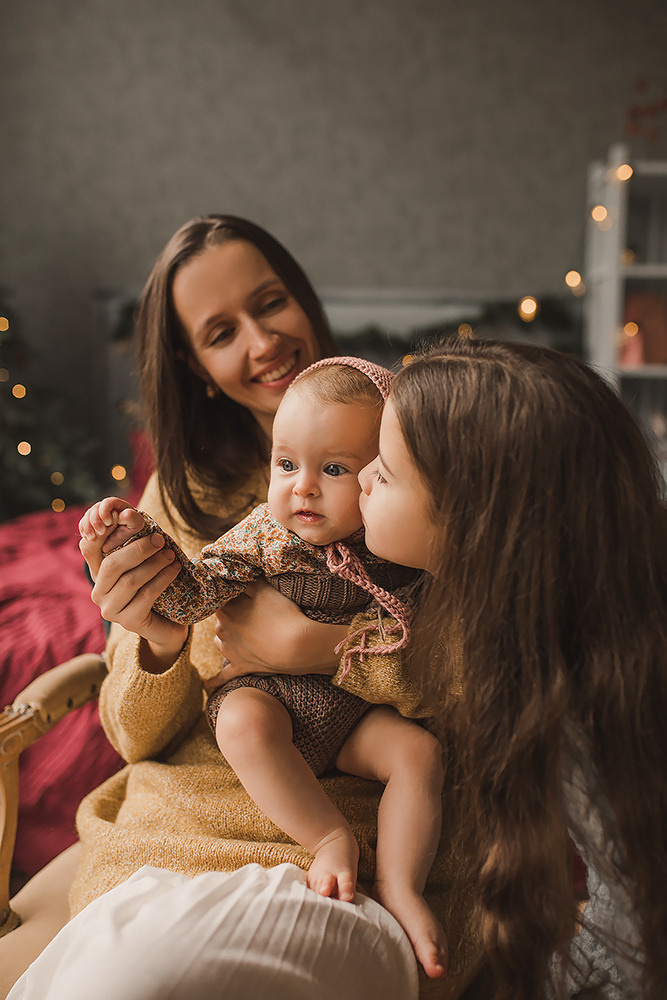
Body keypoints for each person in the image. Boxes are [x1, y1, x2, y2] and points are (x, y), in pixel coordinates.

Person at [6, 217, 480, 1000]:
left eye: (271, 304)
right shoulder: (184, 503)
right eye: (223, 331)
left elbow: (473, 671)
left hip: (350, 835)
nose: (262, 342)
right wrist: (158, 644)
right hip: (182, 830)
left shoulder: (412, 460)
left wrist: (327, 647)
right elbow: (132, 733)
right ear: (193, 364)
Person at [79, 356, 448, 978]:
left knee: (418, 756)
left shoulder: (399, 533)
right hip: (269, 699)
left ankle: (402, 884)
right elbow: (195, 591)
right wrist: (143, 550)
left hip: (353, 715)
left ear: (383, 470)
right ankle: (329, 837)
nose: (302, 487)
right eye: (285, 465)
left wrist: (324, 645)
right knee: (243, 723)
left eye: (333, 469)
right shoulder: (263, 536)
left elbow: (450, 641)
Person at [356, 335, 667, 1000]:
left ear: (473, 521)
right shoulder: (568, 618)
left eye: (381, 472)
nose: (358, 480)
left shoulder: (590, 700)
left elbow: (639, 921)